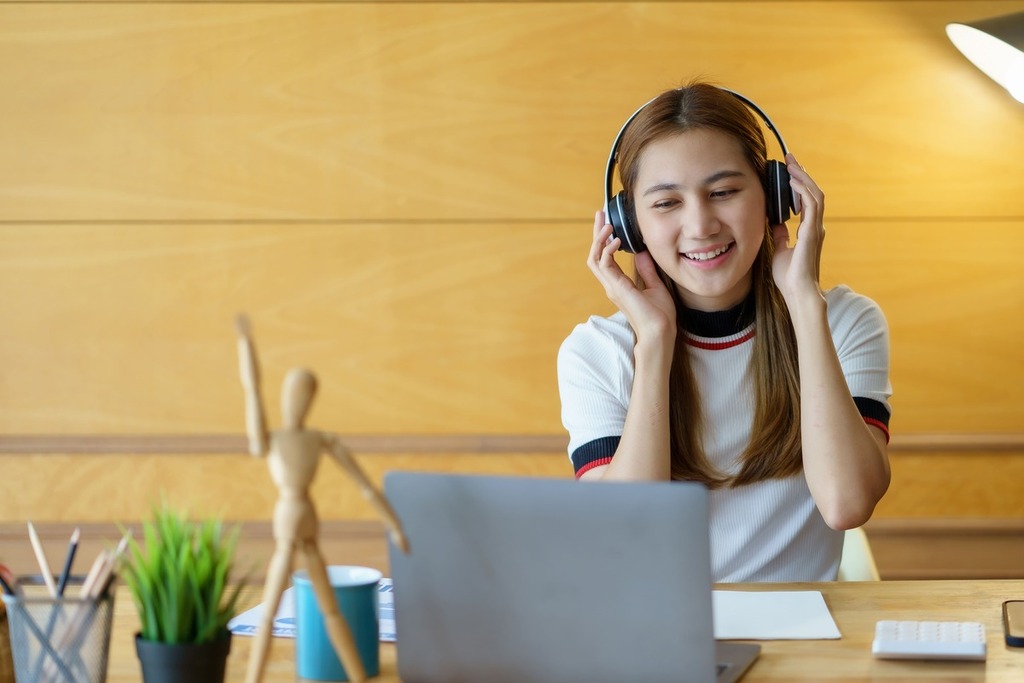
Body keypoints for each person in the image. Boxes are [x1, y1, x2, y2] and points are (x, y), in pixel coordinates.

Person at [556, 81, 892, 582]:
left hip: (803, 640)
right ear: (630, 228)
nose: (700, 225)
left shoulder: (844, 322)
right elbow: (627, 536)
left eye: (723, 192)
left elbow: (846, 504)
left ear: (776, 199)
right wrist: (654, 343)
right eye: (667, 203)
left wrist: (803, 301)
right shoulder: (597, 352)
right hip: (659, 640)